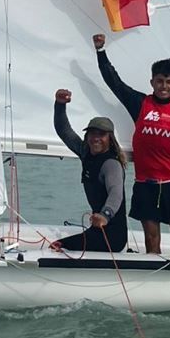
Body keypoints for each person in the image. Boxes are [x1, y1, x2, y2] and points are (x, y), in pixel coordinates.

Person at [92, 33, 170, 256]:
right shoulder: (140, 103)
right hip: (146, 184)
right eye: (159, 81)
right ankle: (154, 274)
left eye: (168, 82)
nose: (163, 86)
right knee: (151, 238)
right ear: (152, 82)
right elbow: (114, 82)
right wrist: (101, 52)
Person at [50, 88, 128, 253]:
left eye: (101, 134)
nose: (96, 138)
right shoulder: (86, 153)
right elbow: (64, 131)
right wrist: (60, 105)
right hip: (97, 231)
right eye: (92, 133)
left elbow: (116, 193)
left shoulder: (111, 164)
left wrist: (105, 215)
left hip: (113, 237)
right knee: (59, 245)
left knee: (58, 246)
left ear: (110, 138)